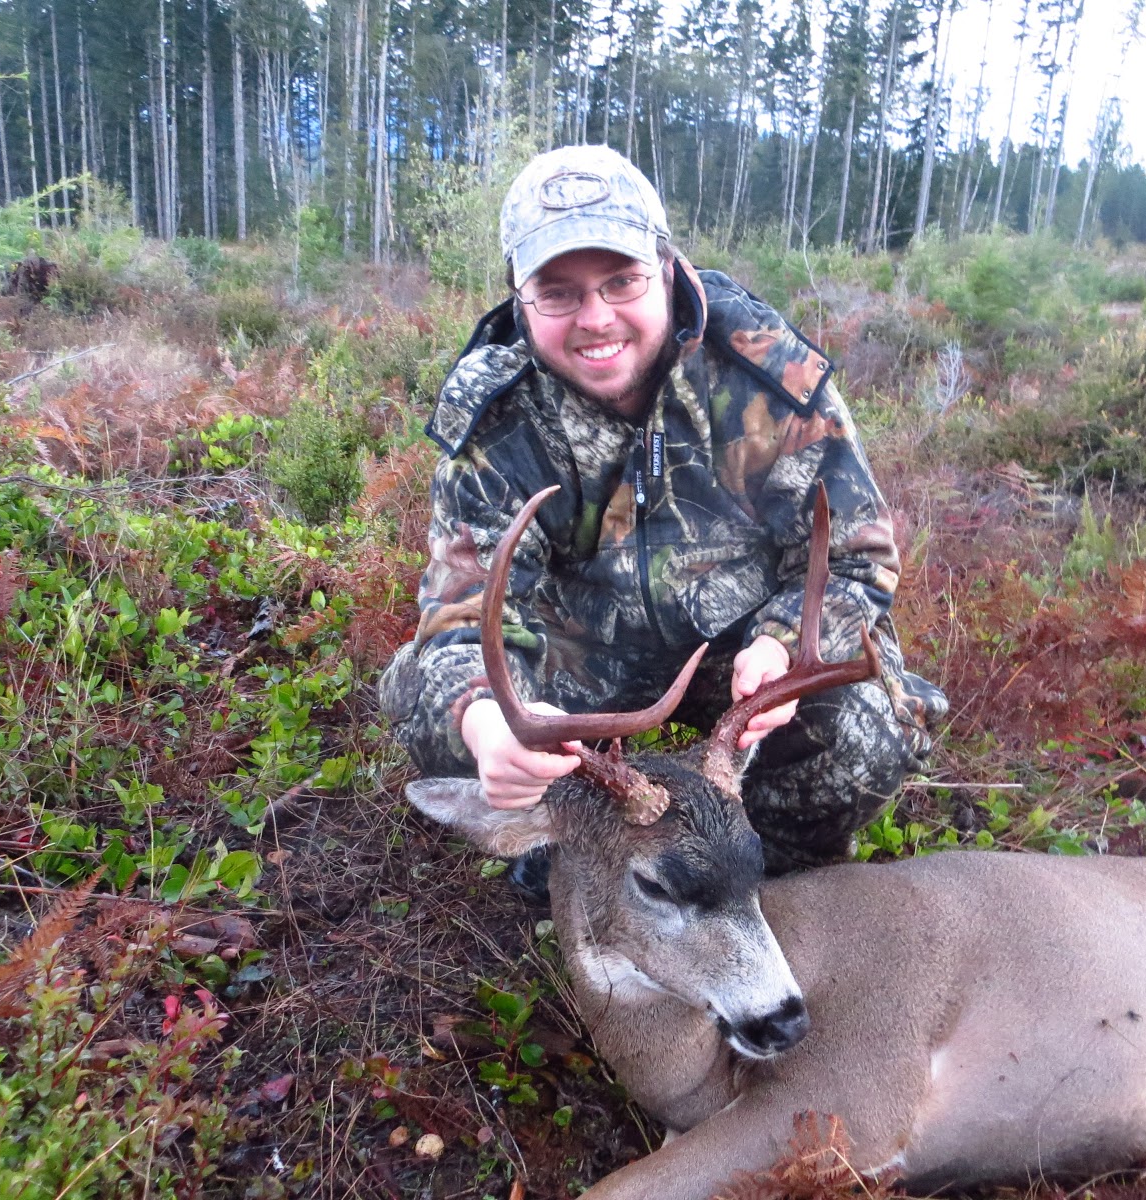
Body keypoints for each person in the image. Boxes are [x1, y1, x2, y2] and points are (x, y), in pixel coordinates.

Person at [378, 145, 946, 880]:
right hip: (582, 657)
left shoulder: (765, 379)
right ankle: (579, 854)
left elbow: (856, 558)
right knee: (437, 709)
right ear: (519, 298)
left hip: (739, 653)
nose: (596, 318)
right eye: (557, 293)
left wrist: (779, 647)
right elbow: (462, 615)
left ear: (668, 269)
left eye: (622, 281)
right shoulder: (496, 416)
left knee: (861, 734)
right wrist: (489, 726)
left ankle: (766, 870)